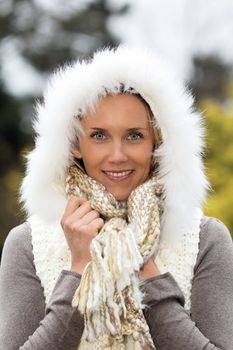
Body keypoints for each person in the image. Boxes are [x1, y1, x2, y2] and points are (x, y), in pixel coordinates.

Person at [0, 46, 233, 350]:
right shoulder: (27, 243)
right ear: (74, 145)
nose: (118, 155)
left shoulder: (206, 238)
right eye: (98, 135)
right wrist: (79, 269)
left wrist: (145, 268)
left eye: (134, 135)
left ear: (157, 143)